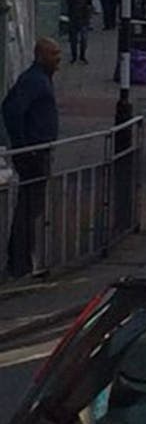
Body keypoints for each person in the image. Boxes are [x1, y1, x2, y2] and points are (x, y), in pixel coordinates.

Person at [2, 38, 61, 278]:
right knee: (29, 208)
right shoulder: (34, 80)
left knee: (31, 207)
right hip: (33, 154)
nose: (58, 60)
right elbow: (11, 110)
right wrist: (24, 145)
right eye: (54, 55)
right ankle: (20, 264)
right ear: (40, 56)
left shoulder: (39, 78)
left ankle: (23, 260)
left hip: (38, 151)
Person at [65, 0, 91, 64]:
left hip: (84, 20)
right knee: (73, 40)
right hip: (74, 19)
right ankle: (74, 56)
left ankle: (82, 56)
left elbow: (89, 3)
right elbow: (68, 3)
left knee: (84, 39)